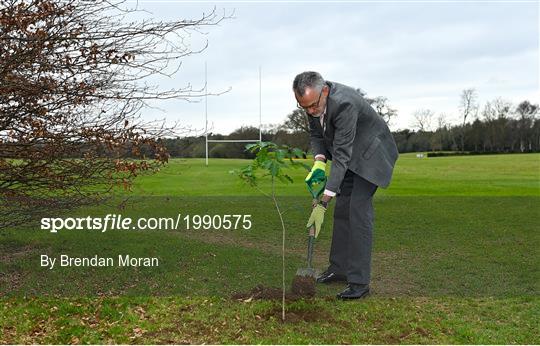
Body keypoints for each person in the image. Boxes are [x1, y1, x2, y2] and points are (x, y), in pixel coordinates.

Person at [294, 71, 398, 299]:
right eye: (305, 108)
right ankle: (338, 269)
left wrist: (323, 202)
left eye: (313, 105)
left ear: (325, 91)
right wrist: (319, 162)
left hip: (371, 157)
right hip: (351, 157)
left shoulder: (344, 104)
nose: (310, 111)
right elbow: (316, 135)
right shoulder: (313, 103)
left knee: (358, 212)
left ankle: (359, 283)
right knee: (342, 211)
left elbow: (341, 155)